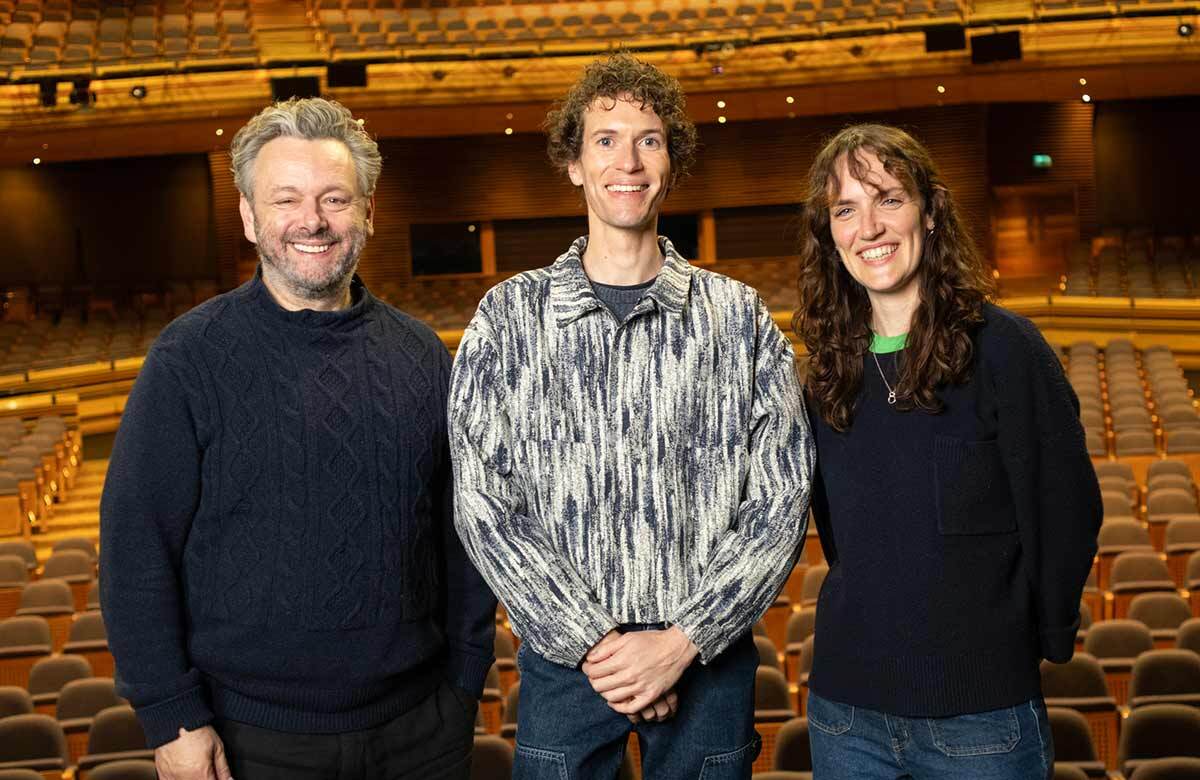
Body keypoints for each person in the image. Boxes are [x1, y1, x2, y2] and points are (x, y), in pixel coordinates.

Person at [100, 97, 496, 780]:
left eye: (334, 199)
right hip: (248, 740)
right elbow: (136, 550)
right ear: (251, 218)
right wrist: (173, 718)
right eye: (286, 199)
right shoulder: (188, 359)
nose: (312, 221)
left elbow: (465, 540)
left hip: (419, 734)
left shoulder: (423, 355)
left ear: (368, 212)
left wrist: (462, 685)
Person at [448, 52, 815, 780]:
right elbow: (483, 502)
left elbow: (780, 500)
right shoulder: (510, 318)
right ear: (575, 164)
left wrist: (680, 642)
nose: (629, 160)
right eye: (606, 139)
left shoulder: (738, 319)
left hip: (707, 667)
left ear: (672, 160)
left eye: (649, 139)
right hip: (565, 669)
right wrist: (600, 647)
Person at [794, 123, 1101, 779]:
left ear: (930, 213)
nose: (868, 227)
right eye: (846, 209)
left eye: (889, 199)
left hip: (980, 713)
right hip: (846, 716)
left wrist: (1039, 638)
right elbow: (838, 534)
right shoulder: (825, 374)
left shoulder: (1005, 349)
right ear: (831, 234)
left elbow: (1065, 507)